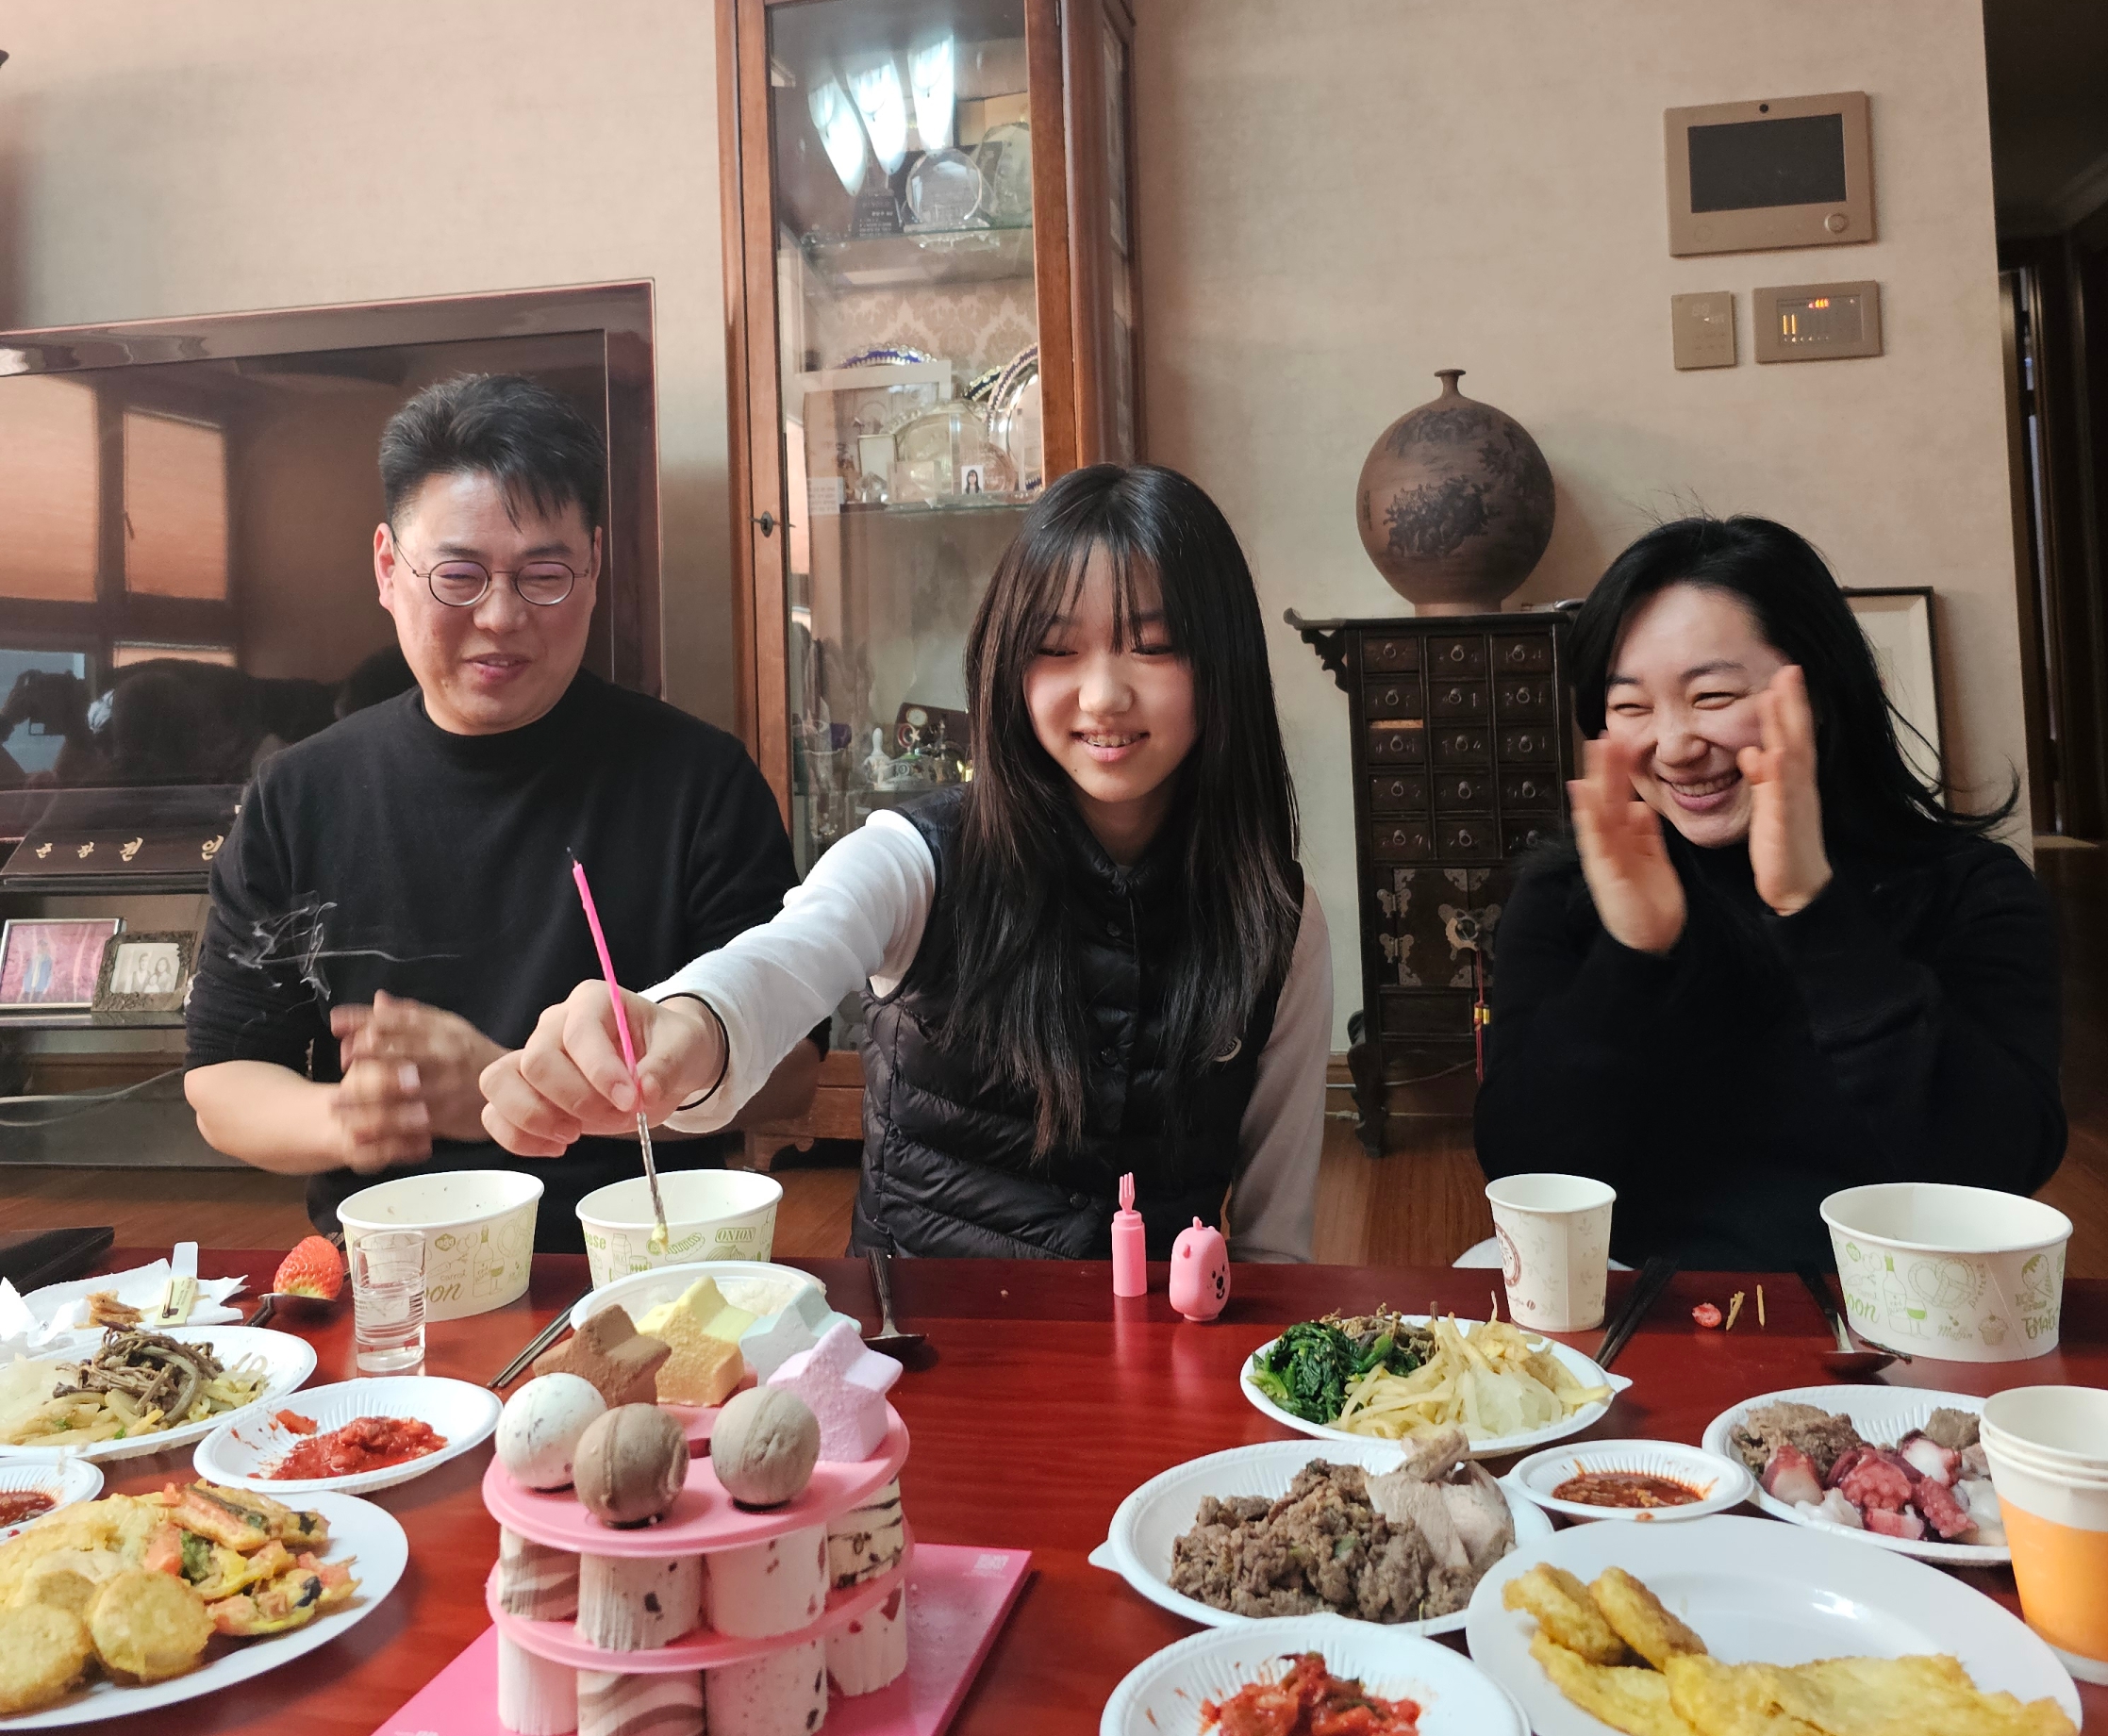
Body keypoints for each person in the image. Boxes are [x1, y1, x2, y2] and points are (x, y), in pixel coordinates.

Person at [481, 464, 1332, 1261]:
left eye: (1152, 645)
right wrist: (683, 1027)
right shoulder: (918, 858)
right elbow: (788, 955)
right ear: (1008, 663)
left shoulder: (1275, 919)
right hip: (907, 1340)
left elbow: (1275, 1244)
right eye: (1057, 648)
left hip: (1152, 1349)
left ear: (1221, 664)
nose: (1103, 694)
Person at [184, 373, 821, 1248]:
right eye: (459, 576)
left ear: (593, 567)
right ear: (388, 568)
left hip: (644, 1260)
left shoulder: (697, 781)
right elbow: (223, 1080)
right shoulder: (299, 796)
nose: (501, 615)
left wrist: (504, 1084)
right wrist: (358, 1117)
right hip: (394, 1267)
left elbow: (790, 1072)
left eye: (544, 576)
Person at [1475, 515, 2064, 1269]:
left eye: (1712, 694)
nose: (1675, 745)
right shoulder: (1566, 896)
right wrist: (1629, 958)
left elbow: (1998, 1168)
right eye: (1630, 707)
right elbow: (1521, 1170)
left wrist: (1816, 912)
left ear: (1818, 691)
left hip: (1899, 1304)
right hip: (1630, 1308)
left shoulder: (1972, 890)